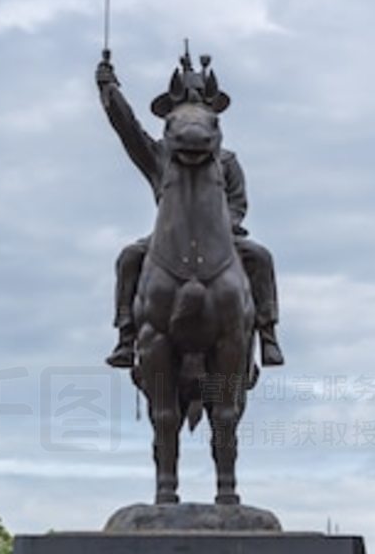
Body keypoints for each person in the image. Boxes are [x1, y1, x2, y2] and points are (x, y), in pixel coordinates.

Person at [96, 49, 284, 369]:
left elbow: (238, 202)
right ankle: (126, 335)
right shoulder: (159, 157)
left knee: (260, 257)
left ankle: (268, 332)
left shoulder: (228, 161)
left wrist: (228, 225)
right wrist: (109, 91)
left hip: (219, 235)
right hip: (169, 237)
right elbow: (128, 128)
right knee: (129, 257)